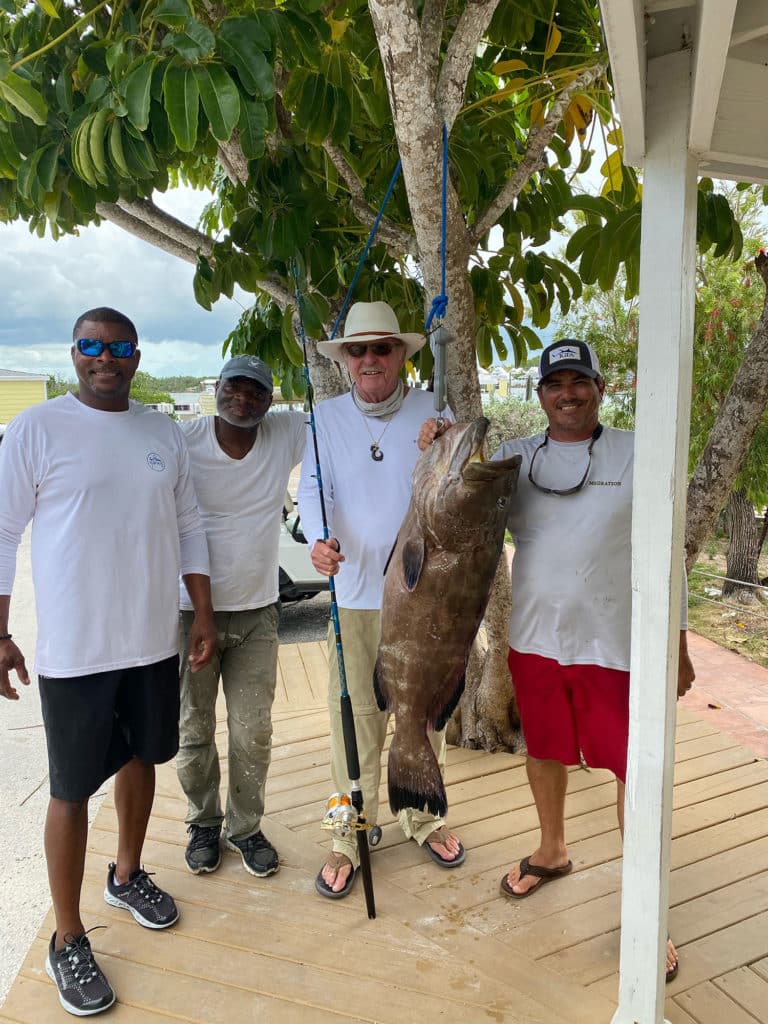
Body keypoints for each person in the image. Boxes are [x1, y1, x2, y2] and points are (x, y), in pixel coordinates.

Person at [423, 338, 694, 982]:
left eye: (580, 382)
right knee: (543, 749)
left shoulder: (637, 451)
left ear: (601, 389)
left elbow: (669, 550)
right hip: (537, 640)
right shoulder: (518, 459)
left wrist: (677, 643)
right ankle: (553, 848)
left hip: (618, 645)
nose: (567, 394)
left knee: (636, 769)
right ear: (539, 395)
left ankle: (646, 902)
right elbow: (457, 500)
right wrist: (439, 445)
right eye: (555, 384)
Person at [0, 308, 217, 1017]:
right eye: (91, 345)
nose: (105, 358)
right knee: (69, 789)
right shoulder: (37, 429)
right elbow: (2, 533)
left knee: (142, 760)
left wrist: (203, 612)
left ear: (136, 355)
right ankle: (68, 937)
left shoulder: (160, 431)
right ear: (74, 353)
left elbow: (190, 524)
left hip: (152, 639)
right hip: (76, 651)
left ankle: (126, 874)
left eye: (118, 347)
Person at [297, 300, 465, 900]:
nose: (371, 359)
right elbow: (315, 492)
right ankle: (349, 830)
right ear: (345, 360)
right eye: (359, 350)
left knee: (420, 714)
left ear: (400, 355)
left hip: (423, 598)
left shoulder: (432, 406)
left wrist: (442, 443)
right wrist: (320, 539)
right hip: (356, 594)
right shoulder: (325, 415)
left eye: (383, 348)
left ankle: (422, 816)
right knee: (353, 720)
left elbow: (456, 479)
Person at [176, 355, 307, 878]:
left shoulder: (285, 432)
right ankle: (203, 822)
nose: (244, 399)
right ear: (217, 388)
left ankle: (245, 827)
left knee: (253, 730)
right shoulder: (182, 441)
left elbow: (348, 413)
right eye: (234, 387)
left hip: (257, 611)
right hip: (189, 613)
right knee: (193, 728)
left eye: (256, 391)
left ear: (271, 400)